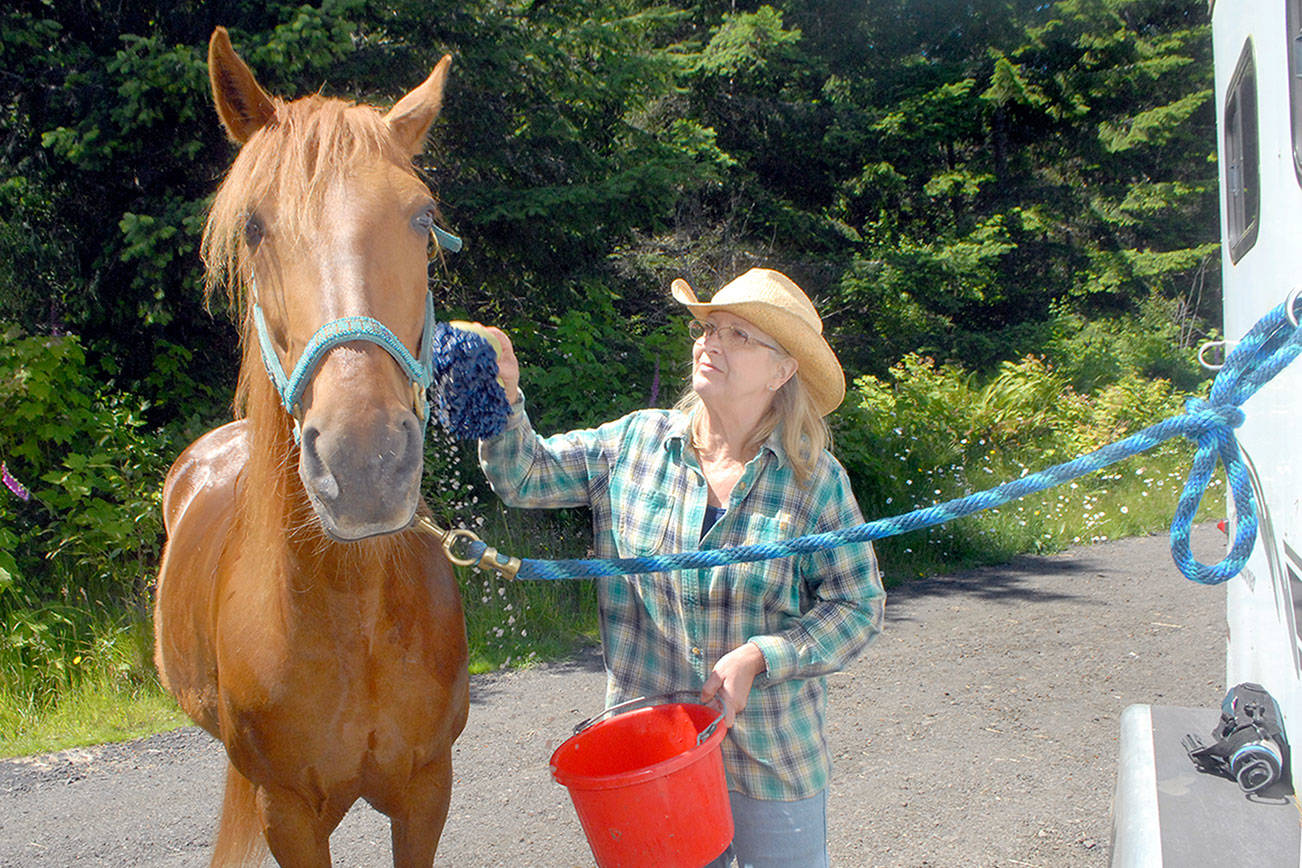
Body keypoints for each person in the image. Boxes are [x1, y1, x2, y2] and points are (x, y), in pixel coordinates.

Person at [477, 267, 885, 867]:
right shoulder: (634, 446)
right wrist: (503, 398)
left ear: (782, 370)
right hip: (654, 756)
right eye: (709, 328)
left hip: (770, 755)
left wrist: (764, 656)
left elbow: (858, 606)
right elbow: (523, 474)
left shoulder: (812, 480)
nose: (711, 342)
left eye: (739, 335)